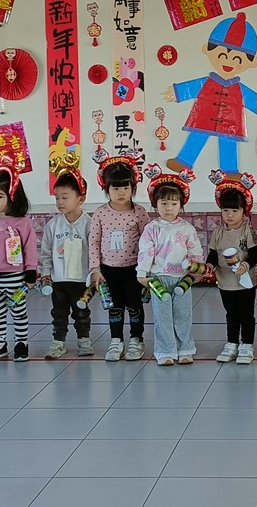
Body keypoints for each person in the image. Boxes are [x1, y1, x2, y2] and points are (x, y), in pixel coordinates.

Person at [163, 12, 257, 174]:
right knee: (196, 136)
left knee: (228, 143)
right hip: (204, 115)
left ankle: (229, 172)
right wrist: (178, 92)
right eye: (222, 55)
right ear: (207, 50)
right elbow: (193, 87)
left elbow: (250, 97)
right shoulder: (206, 82)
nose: (228, 62)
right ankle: (183, 161)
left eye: (237, 59)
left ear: (252, 63)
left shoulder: (239, 88)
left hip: (229, 122)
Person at [137, 166, 204, 366]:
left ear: (181, 204)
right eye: (164, 203)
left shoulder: (187, 228)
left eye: (174, 203)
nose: (168, 208)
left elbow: (195, 251)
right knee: (162, 317)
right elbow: (146, 251)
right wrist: (142, 273)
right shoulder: (152, 228)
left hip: (182, 278)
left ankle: (185, 349)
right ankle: (165, 351)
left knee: (183, 316)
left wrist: (197, 270)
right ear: (155, 203)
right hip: (158, 278)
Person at [0, 157, 38, 363]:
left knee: (18, 311)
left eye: (0, 196)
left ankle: (22, 343)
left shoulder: (23, 222)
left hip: (15, 277)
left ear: (13, 196)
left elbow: (30, 248)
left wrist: (31, 271)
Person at [89, 155, 150, 362]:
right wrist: (95, 269)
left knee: (135, 306)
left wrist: (147, 269)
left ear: (133, 188)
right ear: (106, 189)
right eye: (115, 188)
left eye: (125, 187)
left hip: (134, 270)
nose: (121, 192)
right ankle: (116, 340)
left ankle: (136, 339)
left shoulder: (139, 212)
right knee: (114, 307)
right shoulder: (100, 213)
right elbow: (94, 242)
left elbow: (148, 241)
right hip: (108, 270)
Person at [40, 158, 93, 359]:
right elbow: (45, 252)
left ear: (80, 199)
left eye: (64, 197)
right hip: (59, 280)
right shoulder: (53, 225)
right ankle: (58, 342)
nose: (60, 202)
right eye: (57, 198)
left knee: (81, 312)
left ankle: (84, 340)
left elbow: (95, 251)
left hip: (81, 280)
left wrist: (94, 273)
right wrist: (46, 274)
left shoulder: (89, 224)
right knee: (59, 313)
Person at [206, 171, 257, 365]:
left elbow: (255, 254)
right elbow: (213, 254)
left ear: (244, 211)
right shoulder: (218, 232)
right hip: (225, 282)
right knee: (231, 314)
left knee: (246, 314)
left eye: (235, 211)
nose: (230, 215)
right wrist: (210, 265)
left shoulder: (247, 230)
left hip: (245, 282)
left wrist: (246, 264)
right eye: (226, 210)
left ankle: (247, 345)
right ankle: (232, 343)